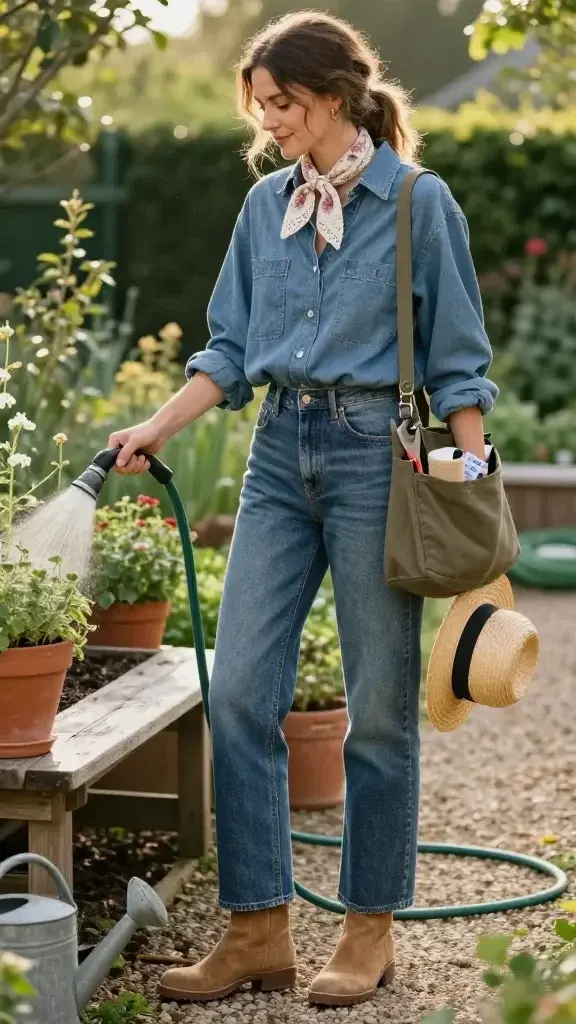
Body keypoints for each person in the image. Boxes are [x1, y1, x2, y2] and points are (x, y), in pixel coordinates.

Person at [109, 10, 497, 1008]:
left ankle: (368, 932)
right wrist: (158, 424)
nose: (270, 120)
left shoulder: (419, 203)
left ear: (329, 95)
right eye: (263, 106)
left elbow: (459, 358)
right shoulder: (263, 211)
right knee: (239, 692)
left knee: (377, 711)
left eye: (281, 102)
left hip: (382, 460)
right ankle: (257, 933)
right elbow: (230, 349)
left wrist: (471, 475)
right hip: (279, 454)